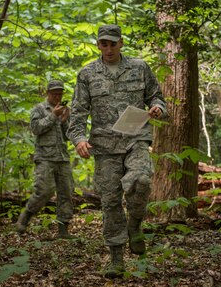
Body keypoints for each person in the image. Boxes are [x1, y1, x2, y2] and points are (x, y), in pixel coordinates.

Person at [67, 24, 167, 278]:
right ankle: (116, 258)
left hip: (136, 138)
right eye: (104, 44)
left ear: (121, 43)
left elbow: (157, 97)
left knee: (141, 180)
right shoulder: (87, 74)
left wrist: (157, 108)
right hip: (104, 145)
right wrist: (79, 139)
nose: (108, 48)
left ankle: (135, 223)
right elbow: (77, 113)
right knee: (110, 201)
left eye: (113, 43)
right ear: (98, 45)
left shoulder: (139, 67)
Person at [16, 79, 75, 239]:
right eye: (54, 93)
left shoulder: (63, 109)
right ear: (47, 93)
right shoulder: (39, 109)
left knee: (66, 193)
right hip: (45, 157)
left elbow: (68, 136)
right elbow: (36, 129)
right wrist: (53, 116)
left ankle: (63, 230)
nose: (57, 96)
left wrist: (64, 120)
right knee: (44, 191)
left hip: (62, 157)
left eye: (60, 93)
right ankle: (26, 215)